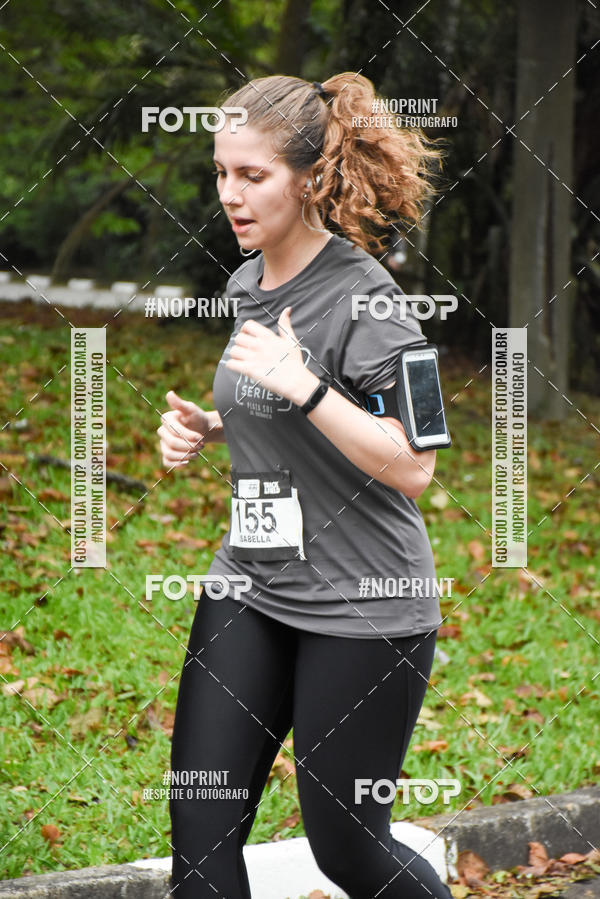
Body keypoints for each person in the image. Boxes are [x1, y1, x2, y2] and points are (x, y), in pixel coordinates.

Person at [157, 72, 452, 899]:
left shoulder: (375, 301)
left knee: (348, 850)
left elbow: (416, 461)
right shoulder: (247, 283)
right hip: (250, 585)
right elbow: (275, 411)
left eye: (252, 175)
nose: (230, 194)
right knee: (202, 856)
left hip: (363, 605)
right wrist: (211, 427)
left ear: (310, 177)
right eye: (222, 172)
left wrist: (308, 386)